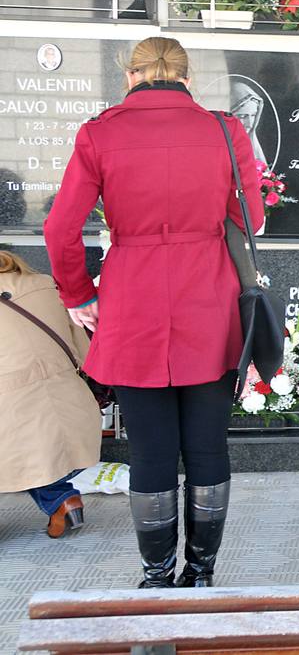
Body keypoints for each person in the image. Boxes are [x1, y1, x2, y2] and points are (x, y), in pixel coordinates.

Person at [43, 37, 264, 588]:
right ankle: (202, 574)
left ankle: (156, 577)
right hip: (209, 301)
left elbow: (59, 229)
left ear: (130, 76)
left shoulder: (100, 132)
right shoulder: (224, 130)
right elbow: (251, 218)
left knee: (150, 450)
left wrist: (78, 296)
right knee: (208, 445)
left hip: (133, 299)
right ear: (188, 79)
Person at [0, 249, 102, 539]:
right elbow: (84, 350)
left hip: (13, 411)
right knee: (34, 455)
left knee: (20, 452)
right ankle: (62, 500)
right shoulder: (46, 284)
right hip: (70, 401)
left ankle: (61, 500)